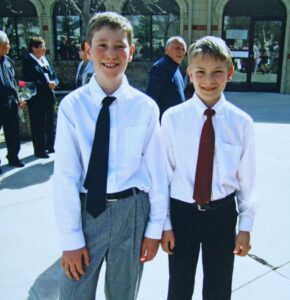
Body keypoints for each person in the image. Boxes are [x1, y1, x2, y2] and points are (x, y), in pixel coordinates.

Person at [53, 12, 168, 300]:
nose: (111, 54)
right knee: (74, 292)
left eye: (120, 46)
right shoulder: (72, 106)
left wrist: (155, 227)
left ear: (132, 49)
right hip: (86, 210)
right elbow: (65, 176)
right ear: (88, 50)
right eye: (102, 45)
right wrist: (70, 239)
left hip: (132, 211)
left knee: (123, 294)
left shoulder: (145, 107)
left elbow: (157, 172)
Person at [161, 36, 256, 300]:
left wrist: (245, 226)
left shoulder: (242, 123)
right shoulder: (172, 119)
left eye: (217, 72)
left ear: (230, 73)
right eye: (200, 72)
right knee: (178, 287)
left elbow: (247, 181)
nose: (209, 80)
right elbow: (163, 176)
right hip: (182, 215)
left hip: (221, 215)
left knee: (218, 287)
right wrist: (165, 223)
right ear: (189, 73)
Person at [22, 36, 59, 158]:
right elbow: (29, 81)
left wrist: (55, 82)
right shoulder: (28, 62)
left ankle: (50, 146)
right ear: (33, 48)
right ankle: (40, 150)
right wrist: (47, 84)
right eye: (41, 46)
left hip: (49, 97)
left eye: (44, 46)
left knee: (49, 122)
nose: (44, 49)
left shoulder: (45, 60)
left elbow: (54, 75)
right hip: (37, 99)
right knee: (38, 124)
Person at [0, 30, 25, 172]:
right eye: (7, 43)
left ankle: (13, 157)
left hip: (10, 102)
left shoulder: (8, 61)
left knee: (13, 132)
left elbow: (13, 81)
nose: (9, 46)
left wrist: (19, 97)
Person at [145, 36, 187, 118]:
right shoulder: (160, 67)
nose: (181, 52)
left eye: (183, 49)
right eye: (177, 48)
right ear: (167, 49)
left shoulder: (175, 67)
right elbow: (152, 98)